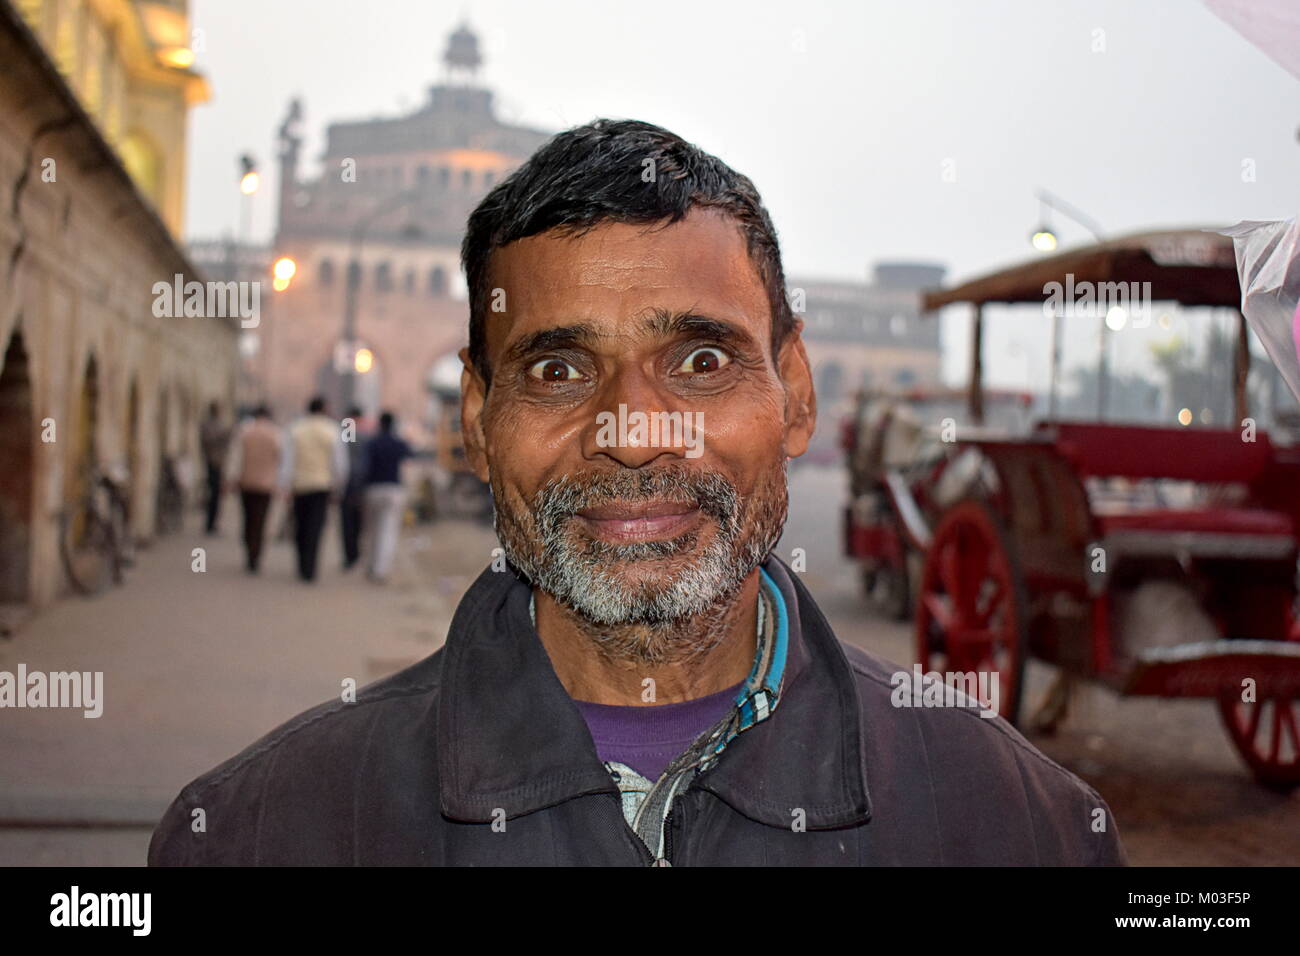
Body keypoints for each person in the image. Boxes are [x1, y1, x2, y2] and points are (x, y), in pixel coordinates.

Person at [151, 120, 1127, 866]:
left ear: (795, 391)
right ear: (477, 420)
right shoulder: (263, 833)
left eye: (701, 359)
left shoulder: (1020, 827)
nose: (634, 431)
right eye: (559, 370)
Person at [281, 396, 347, 583]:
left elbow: (288, 460)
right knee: (315, 527)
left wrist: (285, 485)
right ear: (324, 409)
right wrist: (338, 487)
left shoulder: (295, 429)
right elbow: (340, 463)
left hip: (300, 485)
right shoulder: (332, 430)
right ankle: (310, 568)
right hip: (321, 485)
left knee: (300, 526)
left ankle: (302, 563)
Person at [223, 405, 281, 574]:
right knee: (261, 520)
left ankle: (249, 548)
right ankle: (256, 553)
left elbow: (236, 457)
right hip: (266, 485)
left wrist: (230, 479)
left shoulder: (245, 432)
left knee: (248, 518)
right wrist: (280, 481)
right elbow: (281, 460)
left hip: (246, 482)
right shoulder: (276, 434)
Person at [361, 411, 412, 583]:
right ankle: (381, 570)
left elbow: (364, 467)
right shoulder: (398, 443)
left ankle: (370, 565)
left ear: (379, 424)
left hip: (373, 489)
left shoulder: (372, 443)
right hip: (393, 490)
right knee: (387, 532)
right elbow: (410, 455)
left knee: (372, 531)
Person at [339, 405, 368, 571]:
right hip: (359, 485)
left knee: (348, 523)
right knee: (356, 523)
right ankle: (354, 555)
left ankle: (351, 556)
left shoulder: (348, 432)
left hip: (348, 485)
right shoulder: (364, 434)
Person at [199, 401, 232, 535]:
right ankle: (210, 524)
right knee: (214, 495)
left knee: (215, 495)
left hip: (215, 462)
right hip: (213, 462)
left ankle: (212, 523)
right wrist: (225, 435)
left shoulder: (210, 425)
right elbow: (210, 440)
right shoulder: (210, 425)